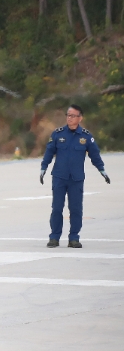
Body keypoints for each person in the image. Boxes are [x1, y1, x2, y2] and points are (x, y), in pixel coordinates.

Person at [40, 104, 110, 248]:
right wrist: (43, 168)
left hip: (76, 179)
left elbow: (95, 155)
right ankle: (54, 237)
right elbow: (49, 152)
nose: (69, 118)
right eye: (68, 115)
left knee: (76, 209)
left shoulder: (86, 136)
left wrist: (102, 170)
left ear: (80, 118)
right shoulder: (58, 134)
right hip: (59, 177)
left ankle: (74, 238)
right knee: (57, 208)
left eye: (73, 116)